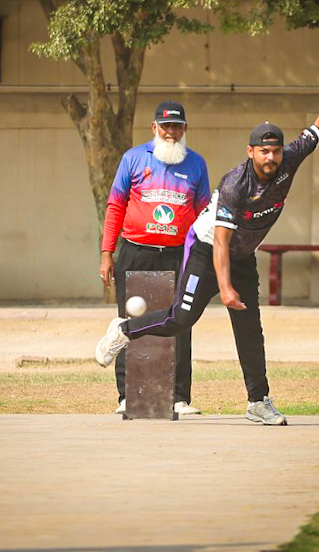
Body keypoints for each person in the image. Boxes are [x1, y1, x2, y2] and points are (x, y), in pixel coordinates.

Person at [96, 65, 319, 426]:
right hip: (207, 251)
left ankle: (258, 402)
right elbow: (220, 242)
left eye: (275, 151)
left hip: (242, 255)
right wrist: (225, 288)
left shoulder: (289, 160)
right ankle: (124, 331)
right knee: (181, 318)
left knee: (250, 328)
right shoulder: (236, 185)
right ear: (250, 152)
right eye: (263, 152)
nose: (271, 158)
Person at [99, 101, 211, 415]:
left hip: (180, 255)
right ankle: (127, 397)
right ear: (154, 128)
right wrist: (107, 254)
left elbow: (204, 213)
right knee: (128, 322)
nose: (171, 132)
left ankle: (178, 397)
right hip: (135, 252)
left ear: (185, 129)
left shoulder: (196, 164)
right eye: (165, 126)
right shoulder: (133, 158)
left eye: (177, 126)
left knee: (181, 321)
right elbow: (115, 207)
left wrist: (206, 256)